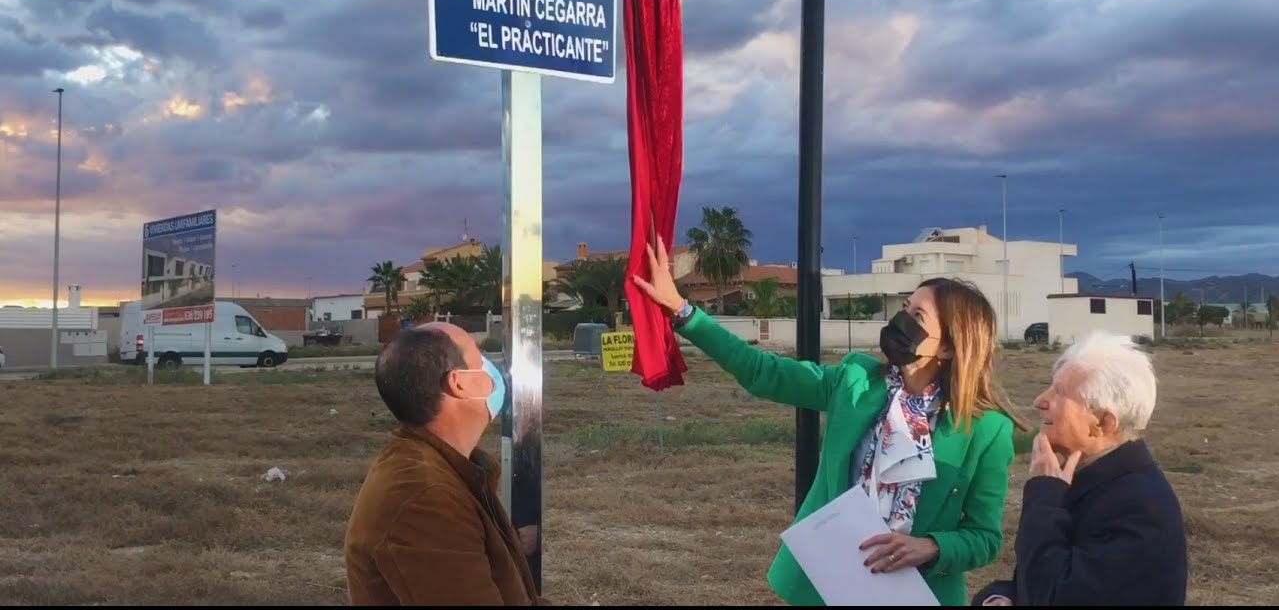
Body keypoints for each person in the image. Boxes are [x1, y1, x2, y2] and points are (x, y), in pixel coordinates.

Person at [631, 240, 1027, 607]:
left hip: (916, 591)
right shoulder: (854, 380)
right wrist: (682, 311)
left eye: (917, 316)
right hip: (830, 581)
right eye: (904, 307)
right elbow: (761, 371)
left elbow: (985, 537)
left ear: (948, 345)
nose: (901, 320)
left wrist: (932, 546)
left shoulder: (987, 431)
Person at [972, 331, 1188, 606]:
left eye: (1060, 393)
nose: (1040, 400)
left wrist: (1044, 499)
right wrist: (1000, 597)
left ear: (1103, 422)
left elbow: (1056, 596)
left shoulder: (1139, 508)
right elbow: (1038, 576)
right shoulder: (1092, 480)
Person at [344, 322, 547, 606]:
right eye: (479, 357)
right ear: (458, 383)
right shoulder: (425, 499)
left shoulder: (448, 469)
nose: (493, 369)